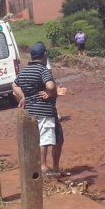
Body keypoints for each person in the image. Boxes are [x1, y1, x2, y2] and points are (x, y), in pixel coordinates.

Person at [12, 42, 63, 175]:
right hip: (44, 110)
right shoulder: (43, 70)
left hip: (31, 111)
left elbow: (14, 85)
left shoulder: (25, 71)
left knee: (38, 138)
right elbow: (51, 86)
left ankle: (47, 167)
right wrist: (50, 92)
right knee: (44, 139)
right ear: (44, 55)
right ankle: (44, 167)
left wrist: (22, 97)